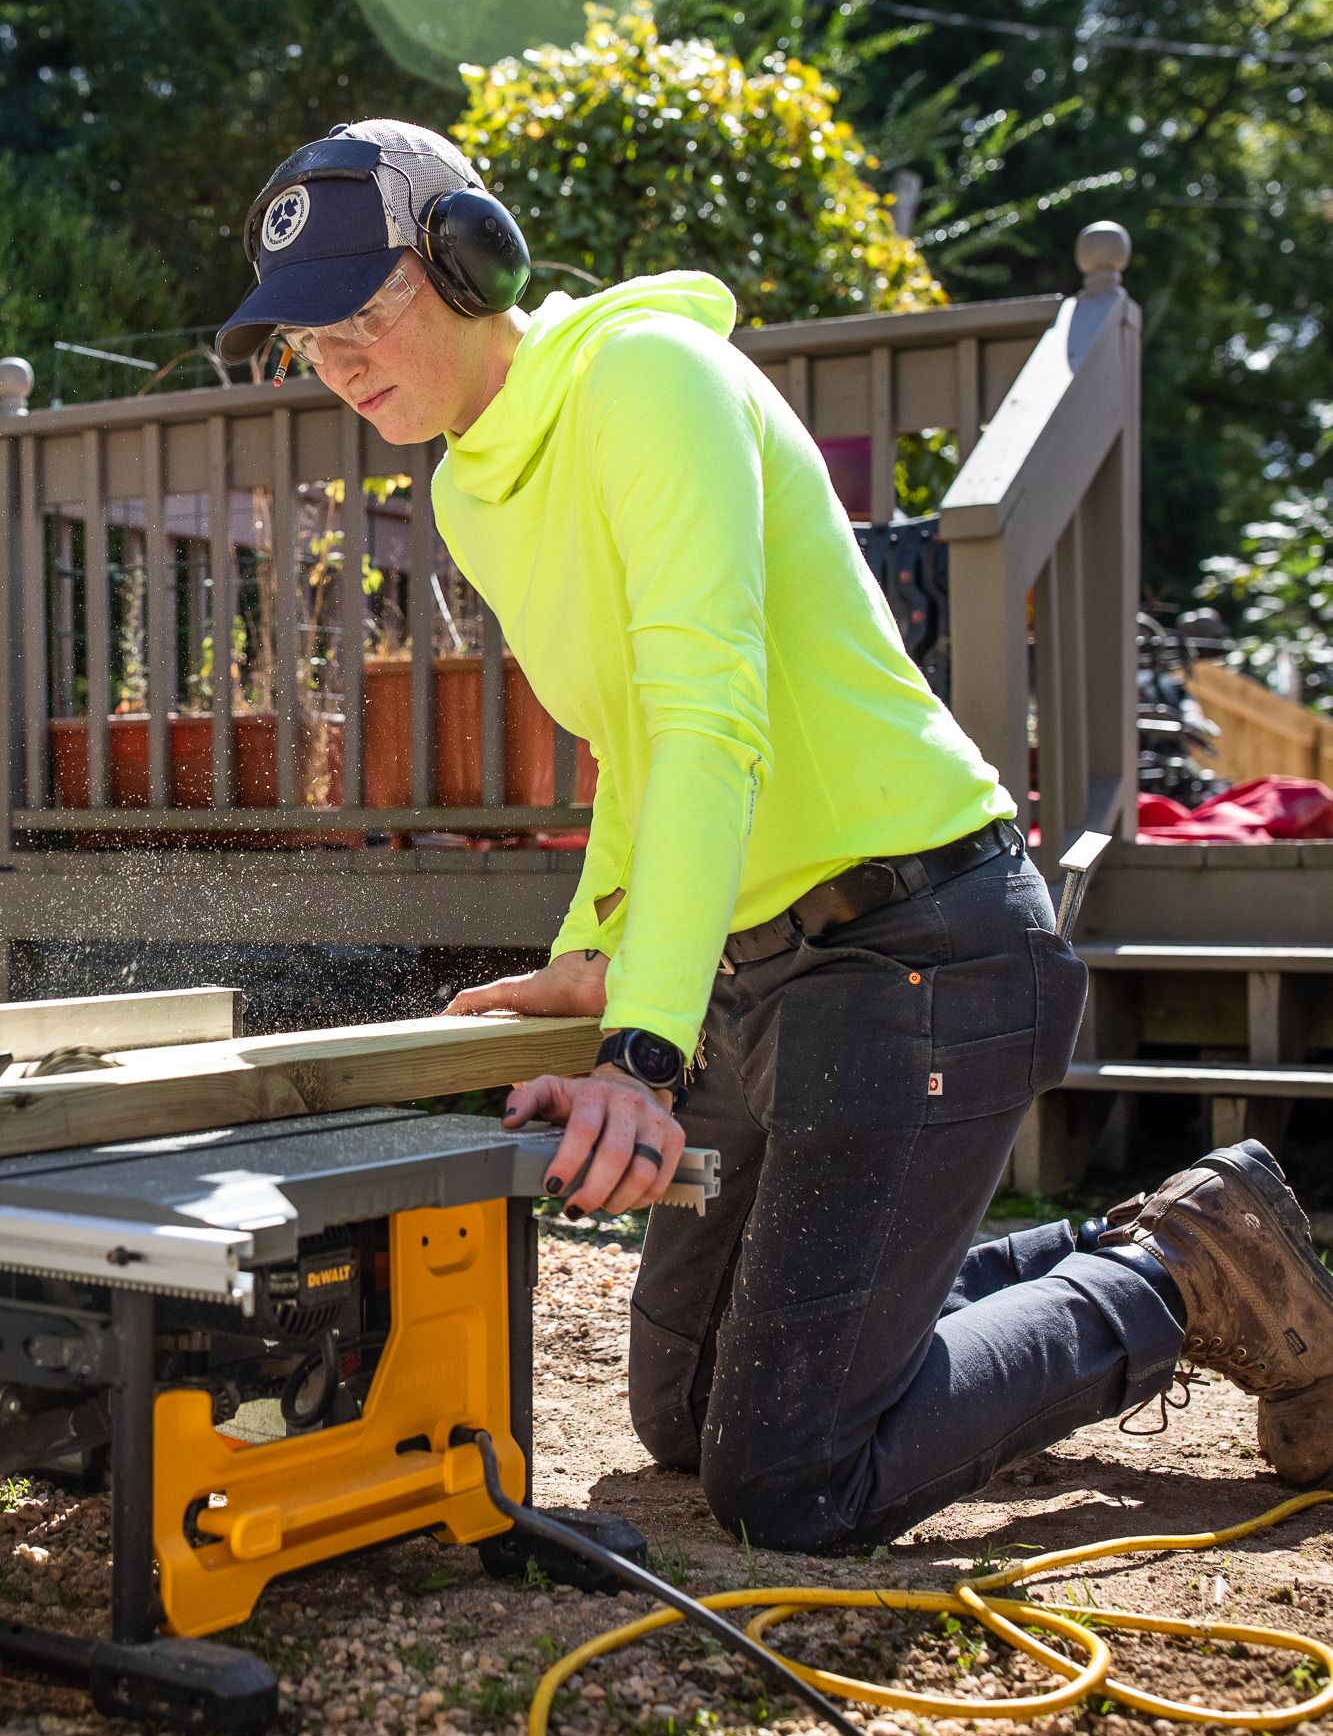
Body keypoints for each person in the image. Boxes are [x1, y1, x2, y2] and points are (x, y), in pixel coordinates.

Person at [217, 118, 1333, 1549]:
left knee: (791, 1474)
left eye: (365, 311)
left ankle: (1166, 1281)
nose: (339, 360)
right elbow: (633, 740)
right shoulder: (468, 484)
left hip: (920, 946)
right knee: (682, 1417)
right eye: (307, 340)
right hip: (756, 974)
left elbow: (706, 719)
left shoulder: (647, 379)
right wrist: (594, 958)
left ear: (472, 259)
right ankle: (1150, 1239)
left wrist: (640, 1052)